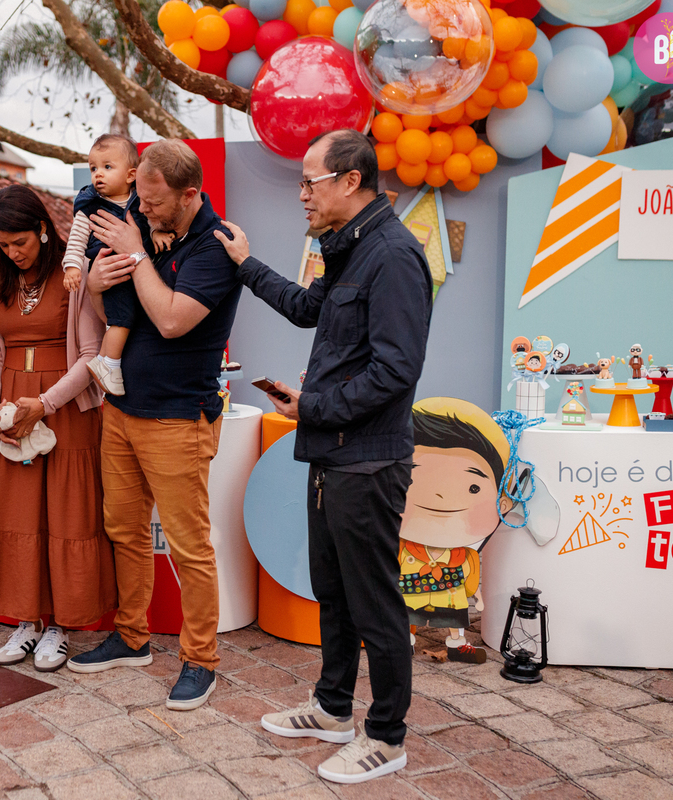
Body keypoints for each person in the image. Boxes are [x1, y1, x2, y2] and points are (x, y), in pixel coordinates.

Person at [215, 129, 432, 784]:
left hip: (367, 460)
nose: (302, 193)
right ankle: (334, 708)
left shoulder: (393, 256)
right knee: (333, 593)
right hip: (333, 453)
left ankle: (387, 737)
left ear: (352, 181)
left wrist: (311, 407)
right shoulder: (347, 250)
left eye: (311, 180)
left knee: (374, 602)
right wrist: (247, 265)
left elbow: (396, 371)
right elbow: (311, 310)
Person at [68, 139, 242, 712]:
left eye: (153, 199)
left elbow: (169, 321)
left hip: (176, 418)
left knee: (190, 547)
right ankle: (132, 636)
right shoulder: (139, 224)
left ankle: (201, 660)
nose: (141, 207)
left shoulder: (216, 248)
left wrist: (137, 253)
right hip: (121, 410)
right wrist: (95, 285)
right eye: (137, 193)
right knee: (124, 530)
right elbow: (110, 311)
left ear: (190, 194)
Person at [0, 184, 117, 672]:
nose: (13, 253)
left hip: (65, 408)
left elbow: (92, 355)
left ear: (42, 229)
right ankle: (26, 622)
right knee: (18, 513)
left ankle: (59, 626)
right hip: (11, 407)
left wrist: (46, 403)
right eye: (4, 245)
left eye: (21, 243)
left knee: (64, 515)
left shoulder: (74, 275)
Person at [399, 398, 513, 663]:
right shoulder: (404, 547)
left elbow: (471, 578)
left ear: (501, 499)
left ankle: (457, 644)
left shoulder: (464, 554)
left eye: (474, 488)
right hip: (410, 588)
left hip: (452, 595)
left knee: (454, 615)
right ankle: (403, 640)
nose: (440, 495)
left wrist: (478, 597)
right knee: (405, 611)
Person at [61, 133, 174, 396]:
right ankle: (107, 363)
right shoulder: (89, 206)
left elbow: (149, 225)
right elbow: (76, 239)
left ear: (131, 175)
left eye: (107, 167)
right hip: (112, 271)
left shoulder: (140, 202)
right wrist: (73, 268)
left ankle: (111, 362)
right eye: (93, 168)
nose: (97, 174)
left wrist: (157, 234)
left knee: (137, 316)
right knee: (122, 319)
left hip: (138, 271)